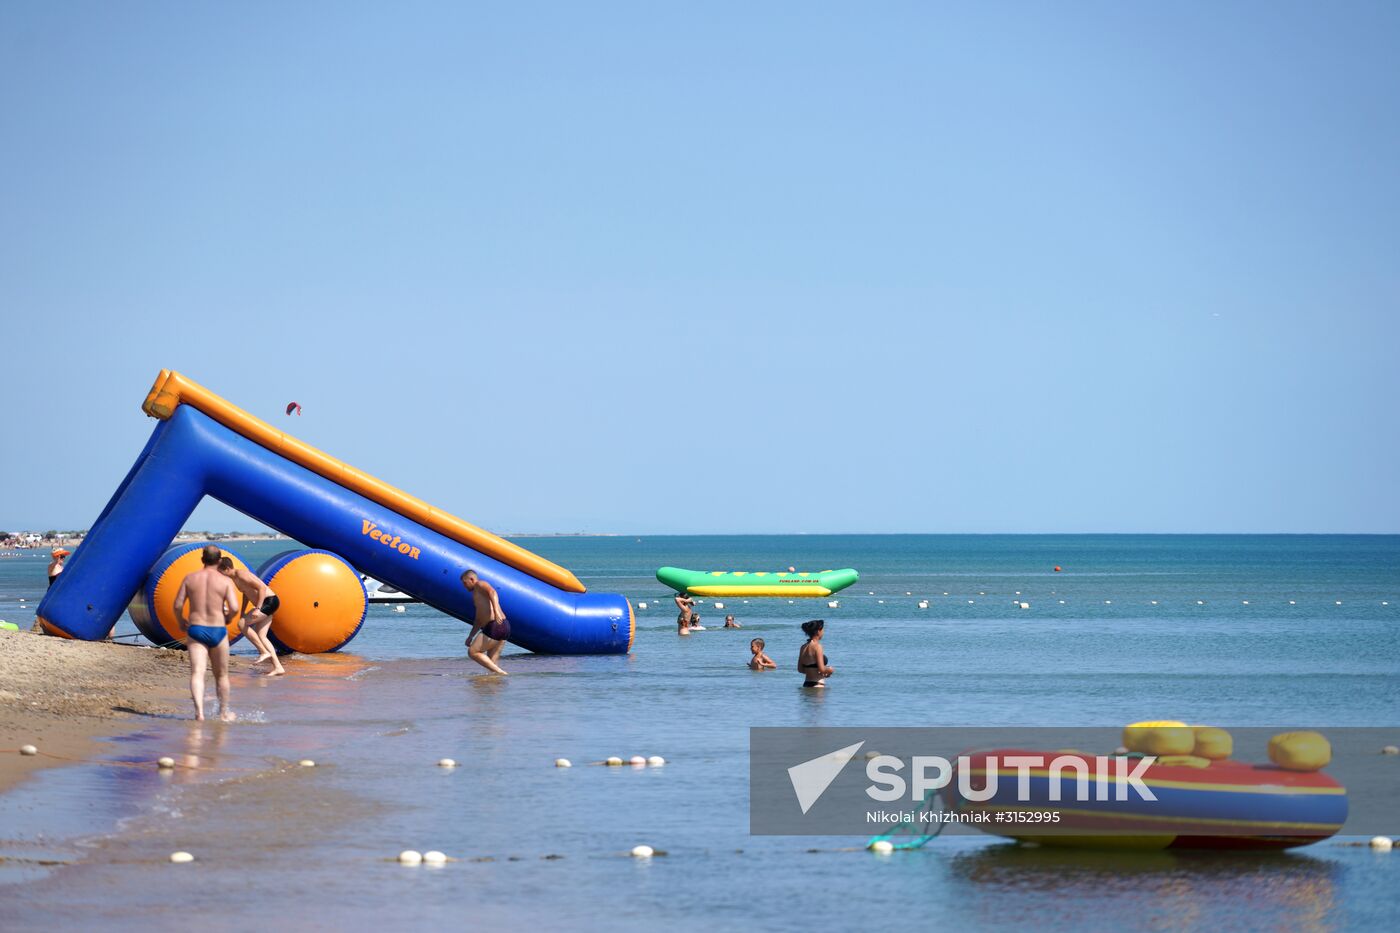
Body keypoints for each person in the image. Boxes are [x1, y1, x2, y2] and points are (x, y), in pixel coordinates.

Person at [173, 545, 241, 721]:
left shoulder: (190, 578)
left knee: (197, 672)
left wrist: (181, 621)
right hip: (218, 630)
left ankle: (199, 713)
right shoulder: (224, 581)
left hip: (196, 629)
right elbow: (234, 607)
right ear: (219, 561)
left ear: (202, 559)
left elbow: (178, 605)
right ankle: (224, 713)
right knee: (222, 675)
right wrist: (228, 618)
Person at [217, 557, 285, 677]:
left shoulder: (241, 574)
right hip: (267, 603)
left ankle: (264, 652)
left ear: (227, 569)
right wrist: (243, 611)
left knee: (242, 624)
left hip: (269, 601)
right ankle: (278, 667)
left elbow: (262, 588)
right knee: (262, 636)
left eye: (220, 571)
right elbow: (246, 593)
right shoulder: (235, 578)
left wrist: (258, 608)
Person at [461, 569, 509, 675]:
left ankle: (502, 673)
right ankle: (492, 688)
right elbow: (478, 619)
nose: (464, 586)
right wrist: (471, 636)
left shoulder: (479, 584)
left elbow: (492, 592)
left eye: (465, 583)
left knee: (473, 652)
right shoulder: (477, 595)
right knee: (492, 667)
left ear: (472, 579)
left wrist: (496, 611)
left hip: (495, 625)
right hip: (503, 626)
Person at [797, 619, 834, 688]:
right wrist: (830, 669)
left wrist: (812, 670)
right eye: (822, 630)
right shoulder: (818, 647)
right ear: (818, 631)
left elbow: (800, 669)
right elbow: (821, 669)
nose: (823, 632)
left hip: (806, 684)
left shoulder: (803, 647)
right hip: (817, 685)